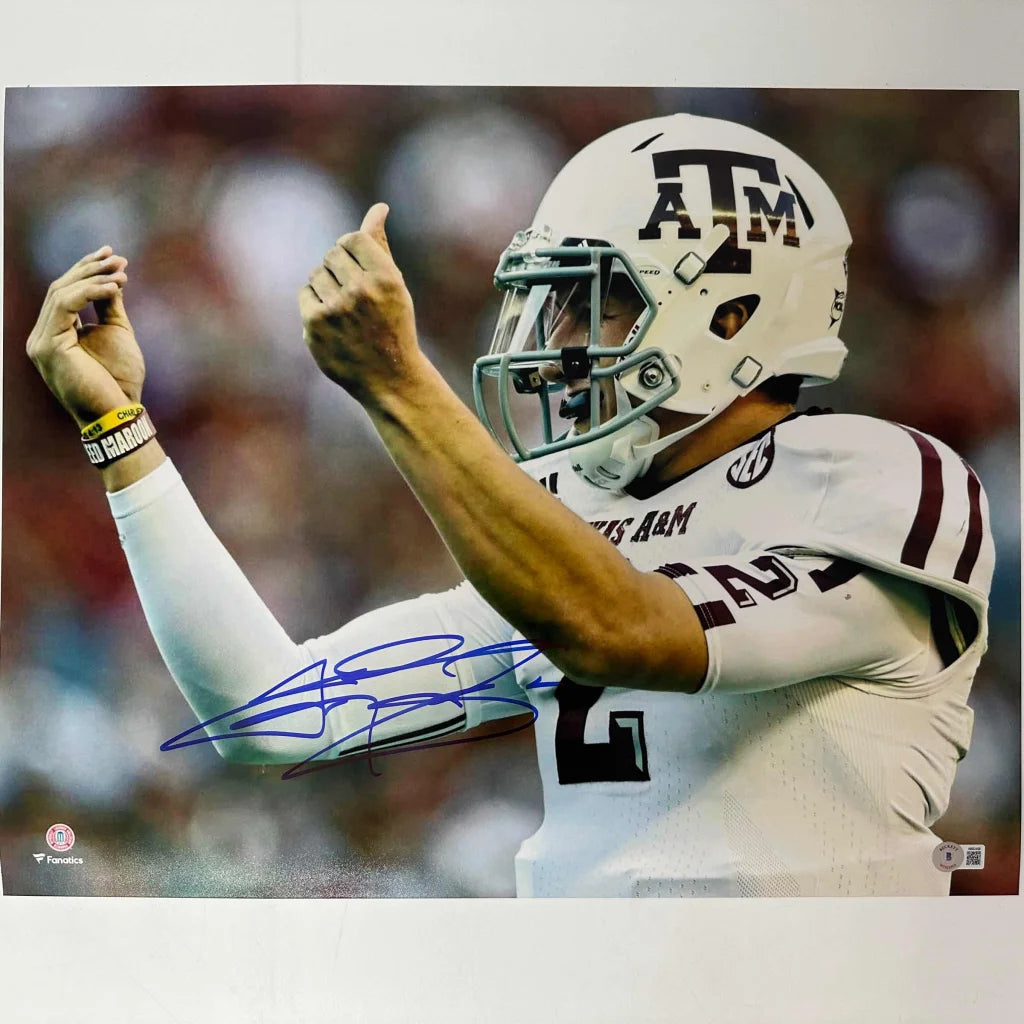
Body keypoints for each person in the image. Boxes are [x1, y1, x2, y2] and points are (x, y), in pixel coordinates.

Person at [26, 113, 993, 897]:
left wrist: (401, 386)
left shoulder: (877, 477)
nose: (561, 339)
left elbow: (623, 628)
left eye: (598, 300)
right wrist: (123, 434)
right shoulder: (581, 517)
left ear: (732, 317)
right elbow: (271, 714)